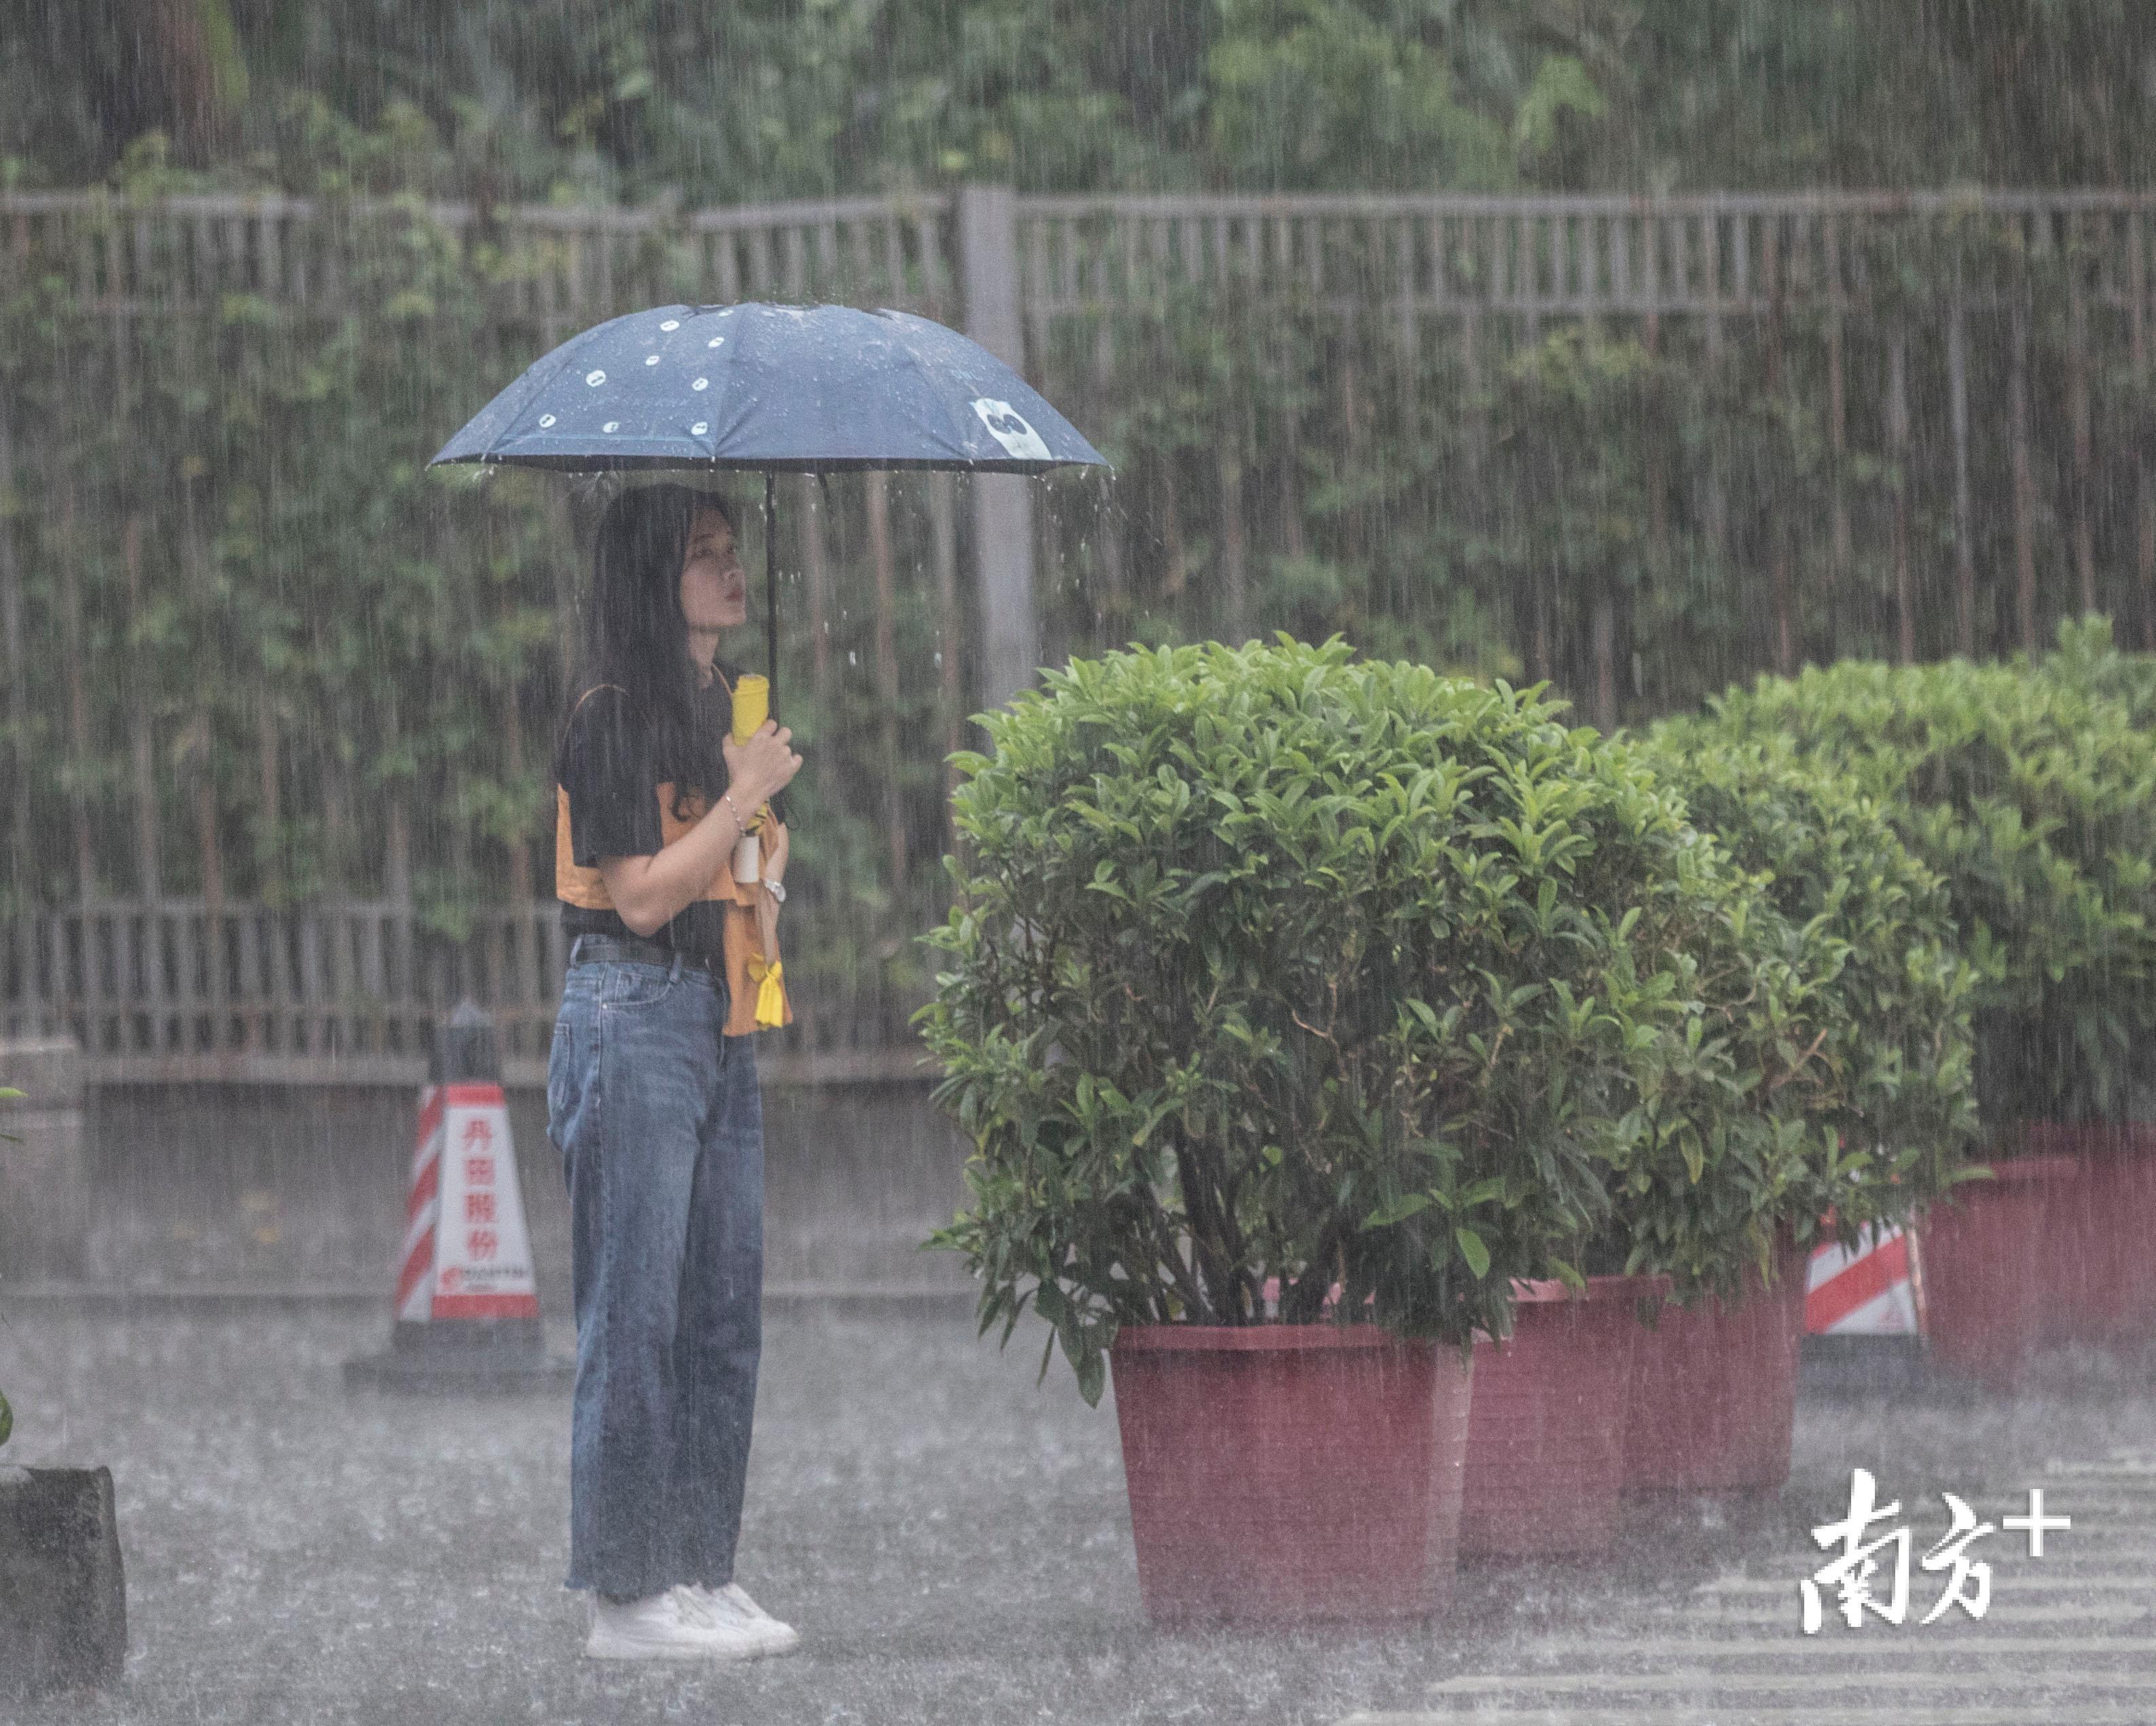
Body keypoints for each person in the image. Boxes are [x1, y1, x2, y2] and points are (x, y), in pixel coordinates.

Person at [545, 482, 805, 1661]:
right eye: (706, 556)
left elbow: (720, 878)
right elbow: (643, 896)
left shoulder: (717, 706)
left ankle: (700, 1569)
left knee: (720, 1316)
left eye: (733, 550)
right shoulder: (608, 709)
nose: (732, 571)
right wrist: (743, 794)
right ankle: (627, 1594)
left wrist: (751, 822)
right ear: (656, 580)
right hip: (633, 1013)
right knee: (636, 1313)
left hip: (717, 1019)